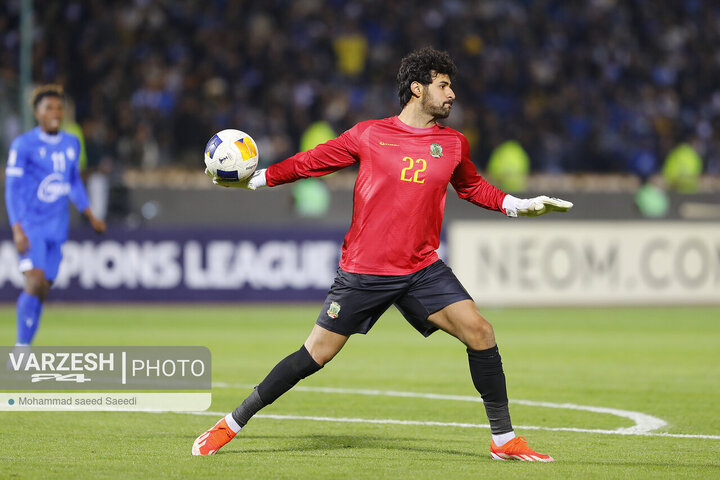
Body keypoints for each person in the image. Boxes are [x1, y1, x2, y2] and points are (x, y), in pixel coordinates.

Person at [194, 48, 572, 461]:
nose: (452, 95)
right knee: (313, 356)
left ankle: (503, 439)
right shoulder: (370, 134)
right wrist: (257, 180)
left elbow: (473, 188)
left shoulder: (453, 143)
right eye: (443, 86)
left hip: (421, 268)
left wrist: (519, 205)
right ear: (417, 88)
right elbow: (311, 163)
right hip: (364, 272)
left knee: (480, 332)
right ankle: (230, 423)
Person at [4, 85, 106, 347]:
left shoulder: (71, 142)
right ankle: (20, 347)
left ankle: (26, 343)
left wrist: (89, 213)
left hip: (57, 226)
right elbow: (12, 189)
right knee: (34, 280)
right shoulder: (23, 144)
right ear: (37, 113)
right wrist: (16, 227)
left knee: (43, 289)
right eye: (48, 107)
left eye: (59, 107)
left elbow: (73, 182)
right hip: (31, 224)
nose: (55, 112)